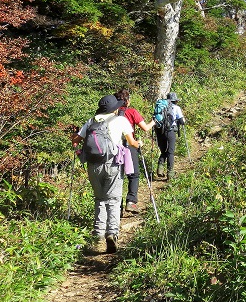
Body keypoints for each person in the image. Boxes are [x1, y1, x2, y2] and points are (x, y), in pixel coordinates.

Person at [72, 94, 139, 254]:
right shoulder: (121, 120)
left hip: (93, 165)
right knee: (114, 200)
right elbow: (131, 142)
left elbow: (75, 141)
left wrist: (77, 147)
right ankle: (112, 233)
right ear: (115, 108)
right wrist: (139, 143)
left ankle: (98, 234)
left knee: (100, 199)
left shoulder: (91, 121)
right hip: (113, 163)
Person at [114, 88, 155, 214]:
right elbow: (145, 128)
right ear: (127, 101)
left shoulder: (112, 113)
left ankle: (117, 206)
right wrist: (154, 122)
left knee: (117, 176)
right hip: (129, 145)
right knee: (134, 174)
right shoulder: (132, 112)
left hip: (114, 146)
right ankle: (131, 202)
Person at [155, 91, 185, 181]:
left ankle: (160, 168)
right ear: (175, 100)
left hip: (160, 131)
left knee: (163, 151)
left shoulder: (161, 107)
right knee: (170, 152)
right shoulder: (176, 108)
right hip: (170, 131)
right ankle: (170, 174)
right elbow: (182, 121)